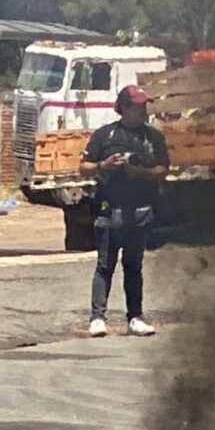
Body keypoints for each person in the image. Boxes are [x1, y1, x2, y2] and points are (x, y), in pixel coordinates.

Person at [79, 85, 168, 337]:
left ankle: (135, 317)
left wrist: (142, 172)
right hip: (110, 210)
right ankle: (97, 318)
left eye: (144, 106)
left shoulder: (153, 138)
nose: (142, 111)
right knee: (105, 265)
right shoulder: (104, 136)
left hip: (140, 210)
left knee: (134, 266)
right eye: (137, 106)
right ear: (124, 108)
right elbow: (83, 168)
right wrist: (103, 165)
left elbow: (163, 169)